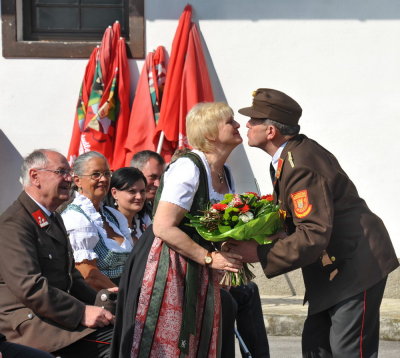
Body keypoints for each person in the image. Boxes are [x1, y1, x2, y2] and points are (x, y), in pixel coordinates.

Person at [229, 88, 399, 357]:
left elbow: (313, 234)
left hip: (355, 265)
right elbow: (298, 222)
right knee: (316, 348)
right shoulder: (289, 157)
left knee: (348, 351)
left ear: (270, 131)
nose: (247, 125)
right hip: (333, 267)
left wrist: (260, 252)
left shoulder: (301, 164)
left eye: (253, 121)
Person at [111, 102, 244, 357]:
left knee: (198, 338)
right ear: (209, 133)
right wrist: (208, 257)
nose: (237, 125)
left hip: (199, 264)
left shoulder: (225, 172)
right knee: (169, 341)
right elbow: (163, 226)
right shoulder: (188, 167)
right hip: (169, 262)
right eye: (230, 121)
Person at [0, 149, 114, 357]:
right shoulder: (14, 223)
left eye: (69, 172)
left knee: (128, 328)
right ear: (35, 176)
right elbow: (30, 288)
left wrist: (103, 301)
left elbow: (72, 278)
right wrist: (81, 312)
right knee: (118, 342)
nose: (69, 178)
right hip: (31, 324)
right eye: (61, 171)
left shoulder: (50, 217)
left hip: (55, 316)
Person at [61, 151, 133, 290]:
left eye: (107, 173)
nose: (104, 179)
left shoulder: (112, 215)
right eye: (96, 174)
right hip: (101, 300)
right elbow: (88, 274)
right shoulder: (76, 218)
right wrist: (122, 297)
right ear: (77, 180)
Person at [106, 167, 151, 243]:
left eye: (142, 191)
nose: (139, 197)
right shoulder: (107, 224)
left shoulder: (145, 220)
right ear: (114, 193)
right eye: (132, 191)